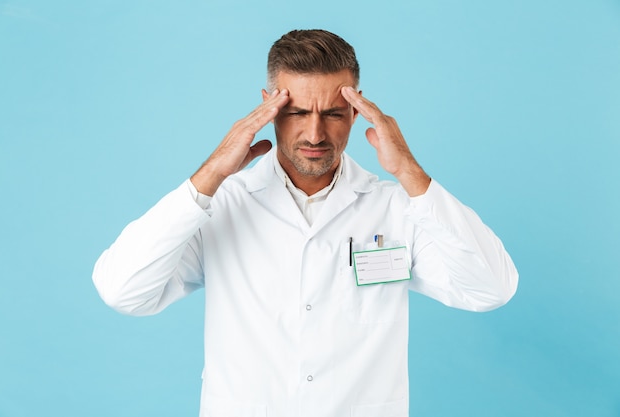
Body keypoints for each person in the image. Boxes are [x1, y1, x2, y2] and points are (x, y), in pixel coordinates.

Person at [93, 29, 518, 417]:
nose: (315, 134)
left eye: (333, 114)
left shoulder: (397, 209)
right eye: (296, 112)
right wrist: (209, 176)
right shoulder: (221, 205)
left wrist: (409, 172)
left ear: (356, 112)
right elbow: (123, 291)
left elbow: (491, 289)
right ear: (268, 106)